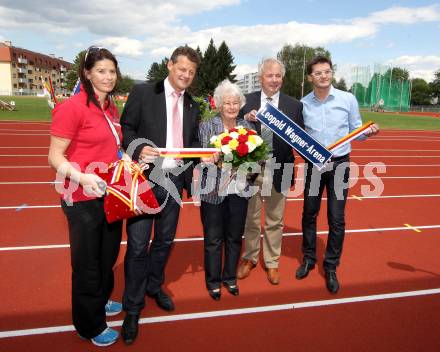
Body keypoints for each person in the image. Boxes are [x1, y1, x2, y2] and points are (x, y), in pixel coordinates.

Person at [120, 45, 201, 345]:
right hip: (144, 180)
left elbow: (191, 143)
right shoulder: (143, 92)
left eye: (191, 73)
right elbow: (126, 128)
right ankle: (132, 307)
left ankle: (154, 286)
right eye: (182, 69)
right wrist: (138, 147)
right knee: (139, 245)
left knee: (165, 240)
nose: (186, 76)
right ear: (169, 65)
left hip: (174, 180)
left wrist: (199, 158)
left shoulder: (192, 104)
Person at [48, 46, 123, 347]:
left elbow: (112, 148)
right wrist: (81, 177)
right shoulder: (72, 107)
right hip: (79, 197)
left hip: (109, 194)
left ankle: (101, 300)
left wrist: (129, 160)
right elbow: (55, 156)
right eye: (101, 71)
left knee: (107, 256)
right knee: (87, 264)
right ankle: (88, 325)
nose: (108, 77)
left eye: (112, 71)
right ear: (88, 73)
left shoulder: (111, 109)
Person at [295, 56, 379, 293]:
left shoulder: (347, 99)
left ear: (331, 73)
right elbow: (299, 136)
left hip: (340, 164)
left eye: (327, 71)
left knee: (336, 217)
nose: (323, 76)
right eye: (318, 73)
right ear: (310, 77)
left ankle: (331, 266)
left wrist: (368, 133)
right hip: (313, 165)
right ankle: (309, 258)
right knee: (309, 213)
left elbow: (357, 131)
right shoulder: (303, 104)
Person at [236, 58, 304, 285]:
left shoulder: (294, 105)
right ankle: (250, 258)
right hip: (252, 167)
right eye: (269, 76)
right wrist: (244, 118)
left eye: (278, 76)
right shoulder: (246, 101)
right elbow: (232, 125)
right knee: (252, 217)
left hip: (280, 166)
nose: (274, 80)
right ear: (260, 78)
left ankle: (272, 262)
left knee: (275, 219)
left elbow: (301, 137)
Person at [198, 80, 253, 300]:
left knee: (234, 237)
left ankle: (229, 277)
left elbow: (257, 163)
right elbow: (201, 158)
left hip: (239, 191)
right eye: (227, 102)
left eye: (235, 102)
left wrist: (249, 173)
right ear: (219, 104)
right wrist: (206, 160)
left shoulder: (248, 128)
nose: (231, 106)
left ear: (240, 104)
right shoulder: (207, 126)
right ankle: (213, 281)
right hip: (212, 191)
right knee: (213, 239)